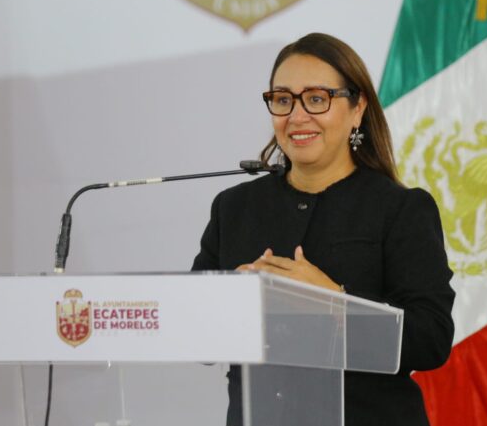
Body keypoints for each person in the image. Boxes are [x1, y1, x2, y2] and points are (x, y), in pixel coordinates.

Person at [192, 33, 455, 426]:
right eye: (283, 100)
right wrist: (232, 303)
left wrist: (336, 304)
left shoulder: (401, 209)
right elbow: (195, 333)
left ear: (357, 108)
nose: (297, 116)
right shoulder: (234, 208)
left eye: (317, 99)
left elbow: (431, 339)